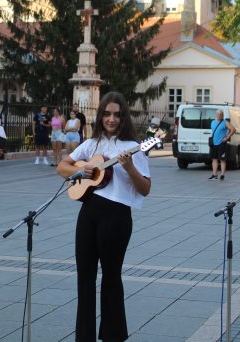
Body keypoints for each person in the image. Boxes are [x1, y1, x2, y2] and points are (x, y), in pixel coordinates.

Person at [57, 92, 151, 342]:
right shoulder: (92, 144)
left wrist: (129, 167)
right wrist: (81, 168)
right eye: (107, 114)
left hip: (117, 215)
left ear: (124, 118)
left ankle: (113, 336)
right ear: (100, 116)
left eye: (117, 115)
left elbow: (145, 189)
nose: (111, 119)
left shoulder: (133, 147)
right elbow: (62, 166)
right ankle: (84, 337)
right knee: (84, 277)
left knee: (111, 276)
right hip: (88, 213)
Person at [208, 109, 236, 180]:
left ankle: (222, 175)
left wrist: (227, 137)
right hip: (213, 143)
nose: (219, 116)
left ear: (222, 115)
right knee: (214, 159)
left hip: (221, 143)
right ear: (216, 115)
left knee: (222, 159)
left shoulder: (225, 122)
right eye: (218, 114)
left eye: (220, 114)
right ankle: (214, 175)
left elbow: (233, 129)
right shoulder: (213, 122)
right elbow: (213, 131)